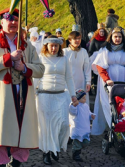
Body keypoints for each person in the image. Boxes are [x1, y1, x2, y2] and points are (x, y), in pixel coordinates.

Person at [0, 8, 45, 167]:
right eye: (9, 19)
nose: (13, 23)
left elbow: (40, 70)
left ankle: (15, 163)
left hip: (23, 96)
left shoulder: (28, 46)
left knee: (21, 133)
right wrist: (8, 59)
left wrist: (24, 67)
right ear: (2, 22)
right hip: (1, 98)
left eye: (16, 20)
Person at [91, 27, 125, 135]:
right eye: (115, 36)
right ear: (111, 37)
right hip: (109, 81)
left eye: (120, 37)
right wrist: (107, 79)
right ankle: (110, 124)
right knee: (108, 102)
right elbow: (100, 67)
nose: (117, 39)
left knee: (122, 101)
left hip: (123, 79)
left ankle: (122, 124)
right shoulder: (105, 50)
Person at [37, 35, 76, 165]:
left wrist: (73, 95)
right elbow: (36, 78)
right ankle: (47, 152)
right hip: (44, 96)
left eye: (56, 45)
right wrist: (30, 95)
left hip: (61, 95)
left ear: (59, 46)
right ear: (46, 46)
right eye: (51, 45)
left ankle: (56, 147)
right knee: (47, 126)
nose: (53, 48)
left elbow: (69, 78)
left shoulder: (64, 59)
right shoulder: (41, 58)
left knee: (64, 124)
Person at [63, 31, 91, 104]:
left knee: (82, 102)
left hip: (81, 81)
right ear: (70, 40)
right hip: (68, 81)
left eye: (79, 39)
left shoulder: (83, 51)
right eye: (75, 39)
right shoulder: (65, 52)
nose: (78, 41)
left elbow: (87, 68)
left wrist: (88, 81)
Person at [69, 89, 95, 162]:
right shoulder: (76, 106)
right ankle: (76, 153)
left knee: (86, 142)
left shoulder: (86, 106)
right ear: (78, 98)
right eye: (83, 98)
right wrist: (74, 105)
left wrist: (91, 115)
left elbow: (88, 113)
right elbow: (72, 113)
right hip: (78, 128)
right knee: (77, 142)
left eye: (85, 98)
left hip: (85, 128)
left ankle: (77, 149)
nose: (85, 99)